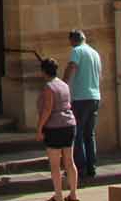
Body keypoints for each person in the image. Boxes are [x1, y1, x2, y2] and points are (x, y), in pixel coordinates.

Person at [36, 57, 78, 201]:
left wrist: (39, 128)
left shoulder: (49, 87)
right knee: (69, 161)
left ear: (43, 71)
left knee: (55, 164)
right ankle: (73, 195)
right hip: (69, 124)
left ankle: (58, 196)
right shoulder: (64, 85)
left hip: (54, 127)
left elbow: (48, 109)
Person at [68, 29, 104, 186]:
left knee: (78, 134)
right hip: (95, 96)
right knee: (90, 134)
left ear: (73, 40)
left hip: (81, 98)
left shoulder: (77, 51)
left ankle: (80, 168)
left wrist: (62, 83)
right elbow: (100, 75)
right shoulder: (95, 53)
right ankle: (92, 166)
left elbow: (72, 68)